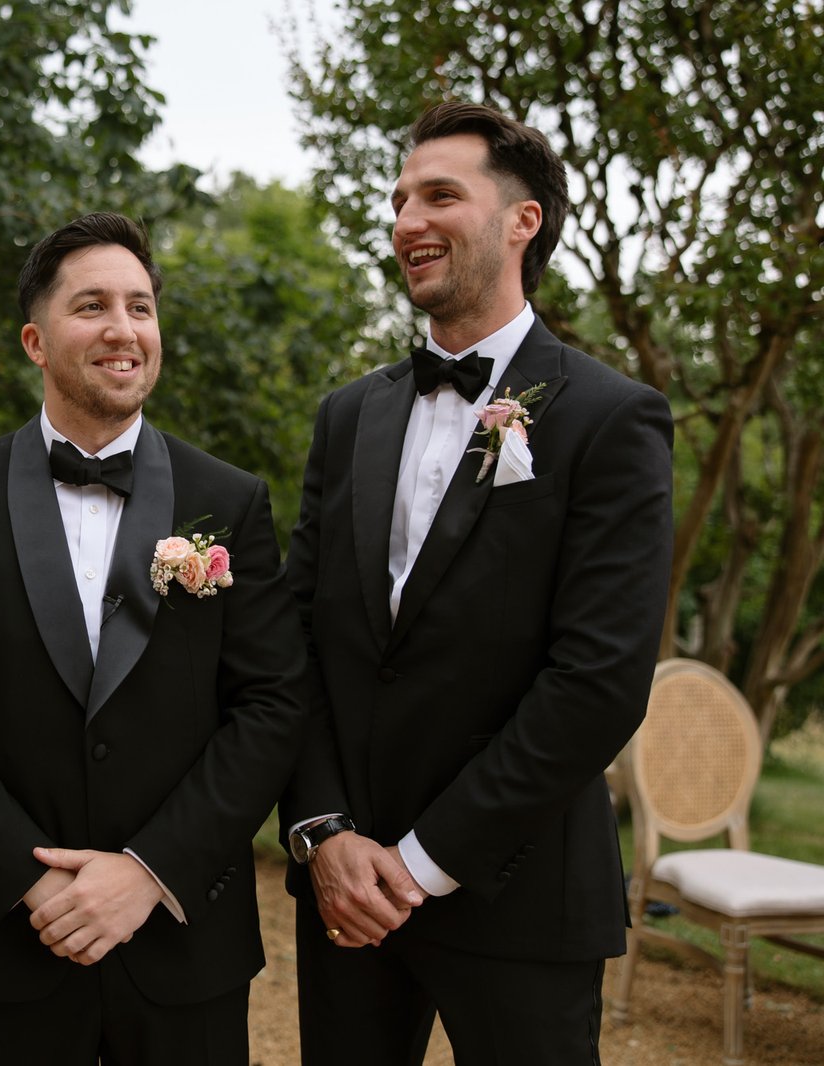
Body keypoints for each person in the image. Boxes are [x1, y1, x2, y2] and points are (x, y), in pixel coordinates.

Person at [278, 101, 674, 1065]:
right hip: (344, 894)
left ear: (522, 219)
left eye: (440, 195)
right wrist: (323, 833)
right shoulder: (348, 417)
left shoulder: (613, 419)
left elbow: (599, 681)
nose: (408, 219)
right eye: (402, 197)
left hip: (521, 892)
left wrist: (416, 866)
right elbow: (294, 640)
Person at [0, 211, 309, 1064]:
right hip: (9, 942)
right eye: (93, 306)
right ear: (36, 340)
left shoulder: (234, 501)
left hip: (185, 942)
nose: (123, 329)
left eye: (141, 307)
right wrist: (34, 884)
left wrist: (149, 871)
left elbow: (271, 704)